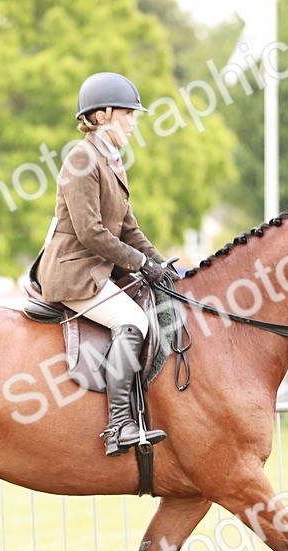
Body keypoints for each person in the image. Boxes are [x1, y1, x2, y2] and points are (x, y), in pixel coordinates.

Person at [36, 72, 172, 458]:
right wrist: (141, 263)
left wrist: (162, 264)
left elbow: (129, 227)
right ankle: (118, 426)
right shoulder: (81, 158)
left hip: (97, 269)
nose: (133, 123)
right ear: (104, 113)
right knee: (135, 321)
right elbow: (90, 233)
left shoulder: (110, 161)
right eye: (129, 115)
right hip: (74, 271)